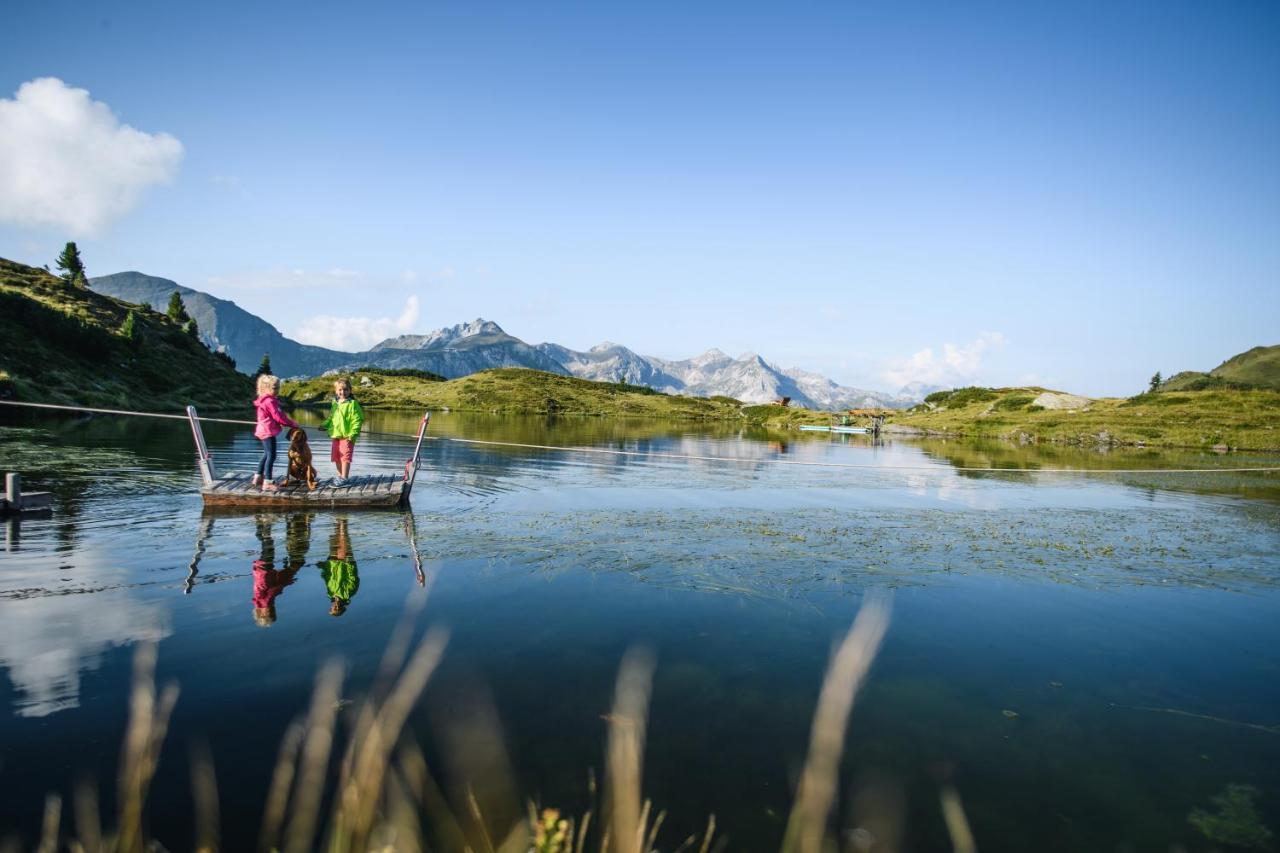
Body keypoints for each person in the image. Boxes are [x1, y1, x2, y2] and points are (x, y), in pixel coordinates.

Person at [252, 516, 302, 626]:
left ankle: (265, 525)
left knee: (268, 546)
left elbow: (273, 591)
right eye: (272, 613)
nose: (270, 611)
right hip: (261, 572)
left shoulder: (265, 602)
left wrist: (286, 584)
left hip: (264, 571)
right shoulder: (259, 602)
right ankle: (259, 526)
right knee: (267, 549)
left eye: (267, 614)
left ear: (261, 613)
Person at [253, 374, 299, 491]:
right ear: (265, 388)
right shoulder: (269, 401)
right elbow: (278, 416)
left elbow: (276, 416)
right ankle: (267, 482)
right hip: (267, 431)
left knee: (266, 454)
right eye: (274, 388)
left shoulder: (265, 400)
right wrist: (292, 423)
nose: (277, 390)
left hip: (263, 430)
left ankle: (258, 477)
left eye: (278, 387)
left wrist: (284, 421)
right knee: (272, 456)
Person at [321, 378, 365, 485]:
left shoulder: (352, 404)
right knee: (336, 457)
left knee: (345, 457)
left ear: (350, 391)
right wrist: (324, 425)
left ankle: (344, 478)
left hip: (347, 436)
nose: (343, 392)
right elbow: (331, 418)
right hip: (336, 435)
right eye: (340, 390)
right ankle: (340, 476)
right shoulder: (335, 403)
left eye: (346, 390)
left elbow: (358, 419)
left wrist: (353, 434)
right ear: (336, 391)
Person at [318, 516, 359, 616]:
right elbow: (353, 577)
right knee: (342, 532)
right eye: (337, 609)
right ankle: (343, 515)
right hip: (344, 560)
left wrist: (323, 566)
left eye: (333, 608)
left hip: (332, 561)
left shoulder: (330, 593)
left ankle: (337, 516)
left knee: (335, 536)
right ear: (342, 607)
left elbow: (327, 578)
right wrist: (348, 562)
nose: (335, 606)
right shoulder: (348, 594)